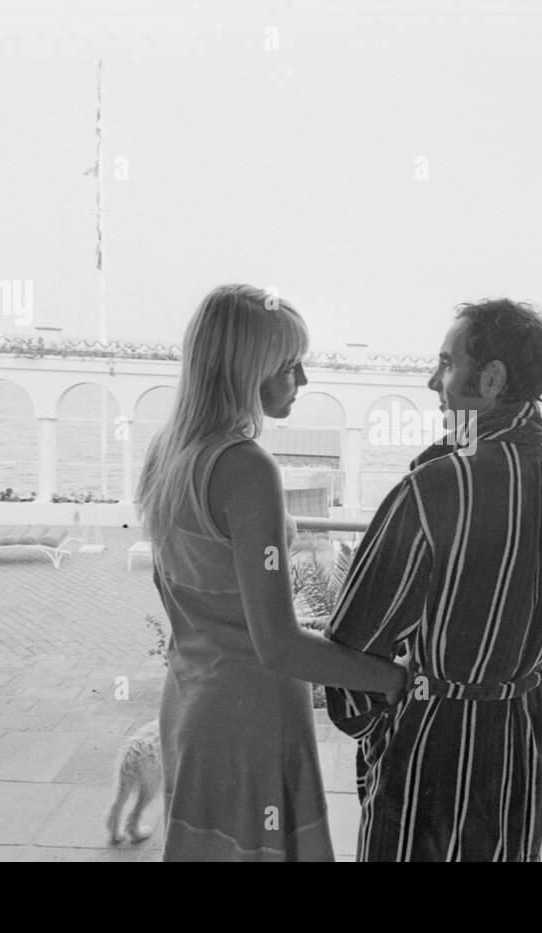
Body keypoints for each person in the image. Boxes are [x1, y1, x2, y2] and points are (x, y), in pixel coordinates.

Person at [324, 298, 542, 862]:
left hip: (431, 743)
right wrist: (509, 675)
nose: (434, 380)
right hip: (522, 739)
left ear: (492, 378)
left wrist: (383, 723)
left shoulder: (436, 487)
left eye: (446, 364)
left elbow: (354, 642)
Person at [136, 284, 407, 862]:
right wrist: (389, 679)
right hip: (250, 718)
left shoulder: (171, 453)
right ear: (245, 370)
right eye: (289, 365)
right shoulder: (245, 467)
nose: (303, 380)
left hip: (190, 701)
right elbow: (278, 644)